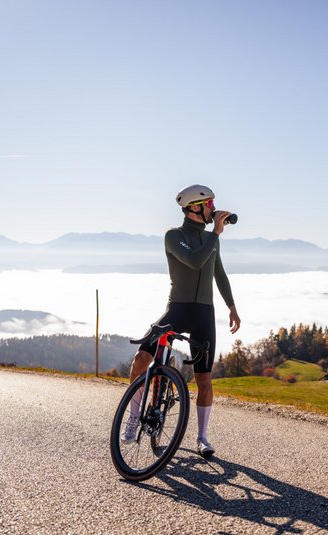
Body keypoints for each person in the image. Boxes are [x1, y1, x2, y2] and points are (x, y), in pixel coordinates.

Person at [125, 184, 240, 459]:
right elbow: (194, 261)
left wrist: (232, 308)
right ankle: (132, 419)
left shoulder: (213, 240)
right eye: (210, 204)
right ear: (195, 208)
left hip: (204, 313)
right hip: (177, 309)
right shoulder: (174, 236)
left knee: (204, 378)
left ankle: (202, 437)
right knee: (141, 359)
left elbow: (219, 275)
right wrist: (216, 234)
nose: (214, 208)